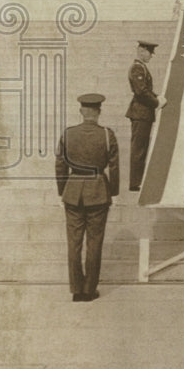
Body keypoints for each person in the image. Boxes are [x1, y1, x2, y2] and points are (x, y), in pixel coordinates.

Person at [55, 93, 119, 301]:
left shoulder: (67, 134)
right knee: (95, 242)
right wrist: (114, 192)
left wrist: (62, 190)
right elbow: (114, 167)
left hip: (73, 192)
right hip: (98, 191)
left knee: (73, 243)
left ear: (82, 111)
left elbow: (60, 166)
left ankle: (76, 290)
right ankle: (89, 289)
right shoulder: (107, 135)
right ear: (98, 112)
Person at [126, 40, 166, 192]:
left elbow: (145, 91)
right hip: (140, 113)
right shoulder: (137, 68)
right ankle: (135, 183)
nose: (150, 56)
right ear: (141, 51)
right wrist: (157, 102)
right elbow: (141, 92)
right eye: (149, 53)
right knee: (139, 149)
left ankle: (138, 181)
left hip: (144, 113)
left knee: (141, 148)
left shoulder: (141, 68)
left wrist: (158, 97)